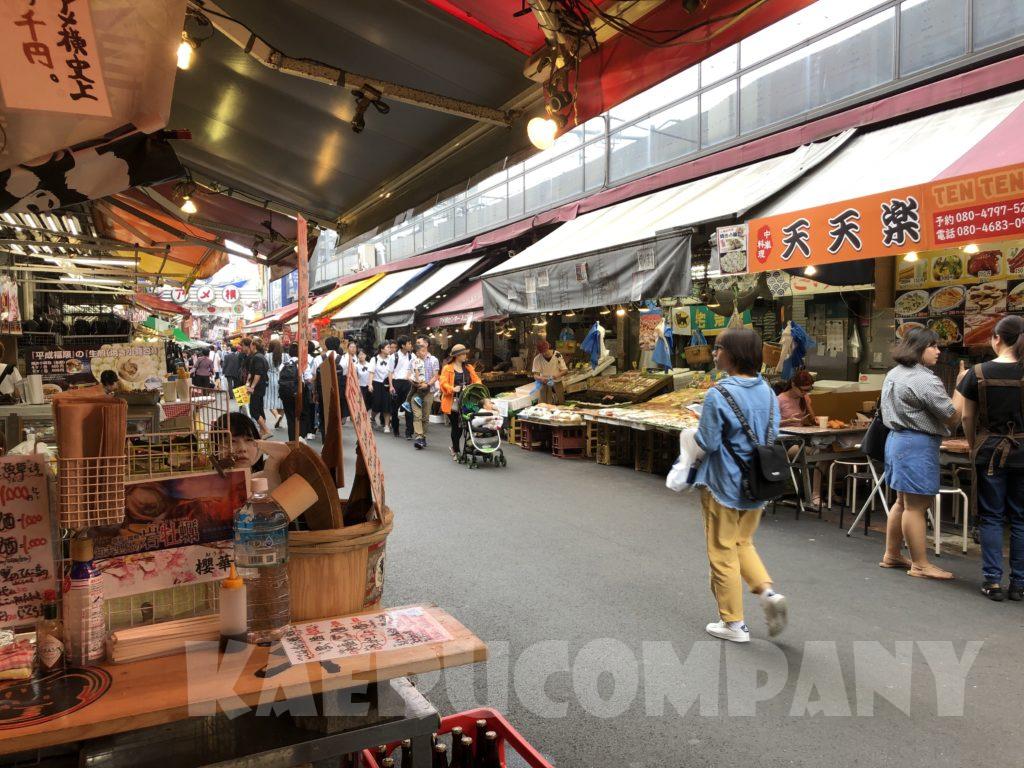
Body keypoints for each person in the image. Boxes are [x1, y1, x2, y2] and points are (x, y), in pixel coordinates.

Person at [693, 328, 787, 643]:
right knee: (742, 543)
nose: (715, 353)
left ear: (734, 354)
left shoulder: (718, 393)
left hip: (723, 483)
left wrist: (693, 428)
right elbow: (771, 435)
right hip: (757, 482)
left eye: (719, 348)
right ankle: (768, 593)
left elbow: (707, 441)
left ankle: (733, 623)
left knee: (722, 551)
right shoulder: (768, 393)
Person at [880, 327, 966, 580]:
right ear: (918, 349)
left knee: (901, 502)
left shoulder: (894, 373)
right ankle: (920, 564)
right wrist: (961, 386)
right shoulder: (923, 378)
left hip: (896, 440)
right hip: (917, 443)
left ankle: (892, 554)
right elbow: (952, 417)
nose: (938, 351)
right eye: (933, 346)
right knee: (916, 506)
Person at [958, 315, 1024, 601]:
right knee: (1021, 519)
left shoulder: (978, 372)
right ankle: (1019, 584)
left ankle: (992, 581)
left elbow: (965, 416)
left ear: (997, 339)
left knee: (992, 518)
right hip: (1023, 452)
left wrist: (975, 445)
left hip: (989, 453)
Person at [777, 371, 826, 505]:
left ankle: (821, 492)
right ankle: (813, 495)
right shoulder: (780, 399)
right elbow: (770, 423)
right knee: (815, 453)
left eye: (808, 390)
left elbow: (812, 419)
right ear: (793, 385)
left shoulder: (805, 398)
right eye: (803, 390)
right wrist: (788, 420)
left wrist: (810, 416)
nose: (805, 393)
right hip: (786, 441)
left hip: (804, 437)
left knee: (826, 452)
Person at [439, 344, 481, 461]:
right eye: (463, 354)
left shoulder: (468, 367)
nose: (465, 356)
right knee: (456, 427)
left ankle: (464, 448)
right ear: (457, 356)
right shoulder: (447, 368)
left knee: (466, 426)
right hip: (452, 402)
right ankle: (456, 449)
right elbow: (443, 383)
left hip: (467, 402)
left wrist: (475, 385)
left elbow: (477, 379)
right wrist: (453, 388)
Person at [407, 341, 434, 450]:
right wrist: (414, 382)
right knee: (417, 415)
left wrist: (427, 384)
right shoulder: (413, 361)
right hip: (417, 390)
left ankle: (423, 437)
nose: (424, 352)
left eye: (425, 350)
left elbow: (436, 376)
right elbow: (408, 375)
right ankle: (418, 437)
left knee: (425, 417)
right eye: (421, 350)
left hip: (429, 391)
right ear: (417, 352)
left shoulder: (433, 360)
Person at [388, 336, 415, 440]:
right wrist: (391, 386)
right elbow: (390, 372)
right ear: (403, 345)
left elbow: (413, 370)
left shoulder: (411, 356)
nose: (410, 345)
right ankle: (395, 429)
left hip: (408, 383)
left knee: (409, 408)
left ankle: (409, 432)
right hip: (396, 383)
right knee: (394, 408)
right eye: (408, 343)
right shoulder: (393, 356)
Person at [246, 337, 272, 438]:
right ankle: (262, 432)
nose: (250, 347)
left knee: (254, 410)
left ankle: (266, 430)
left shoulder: (257, 357)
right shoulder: (261, 356)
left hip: (257, 387)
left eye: (251, 345)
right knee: (259, 408)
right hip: (261, 386)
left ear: (254, 346)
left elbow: (257, 373)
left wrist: (252, 386)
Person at [531, 339, 568, 404]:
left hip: (557, 383)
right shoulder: (537, 359)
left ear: (548, 347)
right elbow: (535, 375)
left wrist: (557, 375)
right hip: (544, 385)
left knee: (560, 403)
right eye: (542, 352)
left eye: (545, 351)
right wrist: (540, 378)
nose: (544, 353)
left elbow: (565, 370)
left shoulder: (557, 355)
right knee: (544, 405)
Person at [277, 344, 301, 441]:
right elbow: (307, 379)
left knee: (290, 417)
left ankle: (292, 440)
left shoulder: (283, 364)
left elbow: (279, 378)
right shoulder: (301, 364)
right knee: (300, 417)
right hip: (298, 393)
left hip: (285, 393)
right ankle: (299, 439)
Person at [369, 342, 393, 430]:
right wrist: (370, 384)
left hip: (387, 383)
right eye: (387, 347)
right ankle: (372, 418)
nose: (389, 349)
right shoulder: (374, 359)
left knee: (387, 405)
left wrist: (391, 385)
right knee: (376, 404)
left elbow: (392, 372)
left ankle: (386, 425)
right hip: (376, 383)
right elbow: (371, 372)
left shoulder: (391, 359)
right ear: (382, 349)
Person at [266, 338, 287, 430]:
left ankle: (276, 415)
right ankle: (279, 420)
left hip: (270, 378)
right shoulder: (285, 356)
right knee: (282, 400)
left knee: (269, 399)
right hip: (282, 378)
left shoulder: (267, 356)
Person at [303, 341, 322, 440]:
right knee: (312, 408)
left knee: (305, 408)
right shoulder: (315, 359)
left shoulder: (301, 359)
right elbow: (315, 375)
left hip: (303, 387)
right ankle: (311, 430)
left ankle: (306, 430)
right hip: (312, 386)